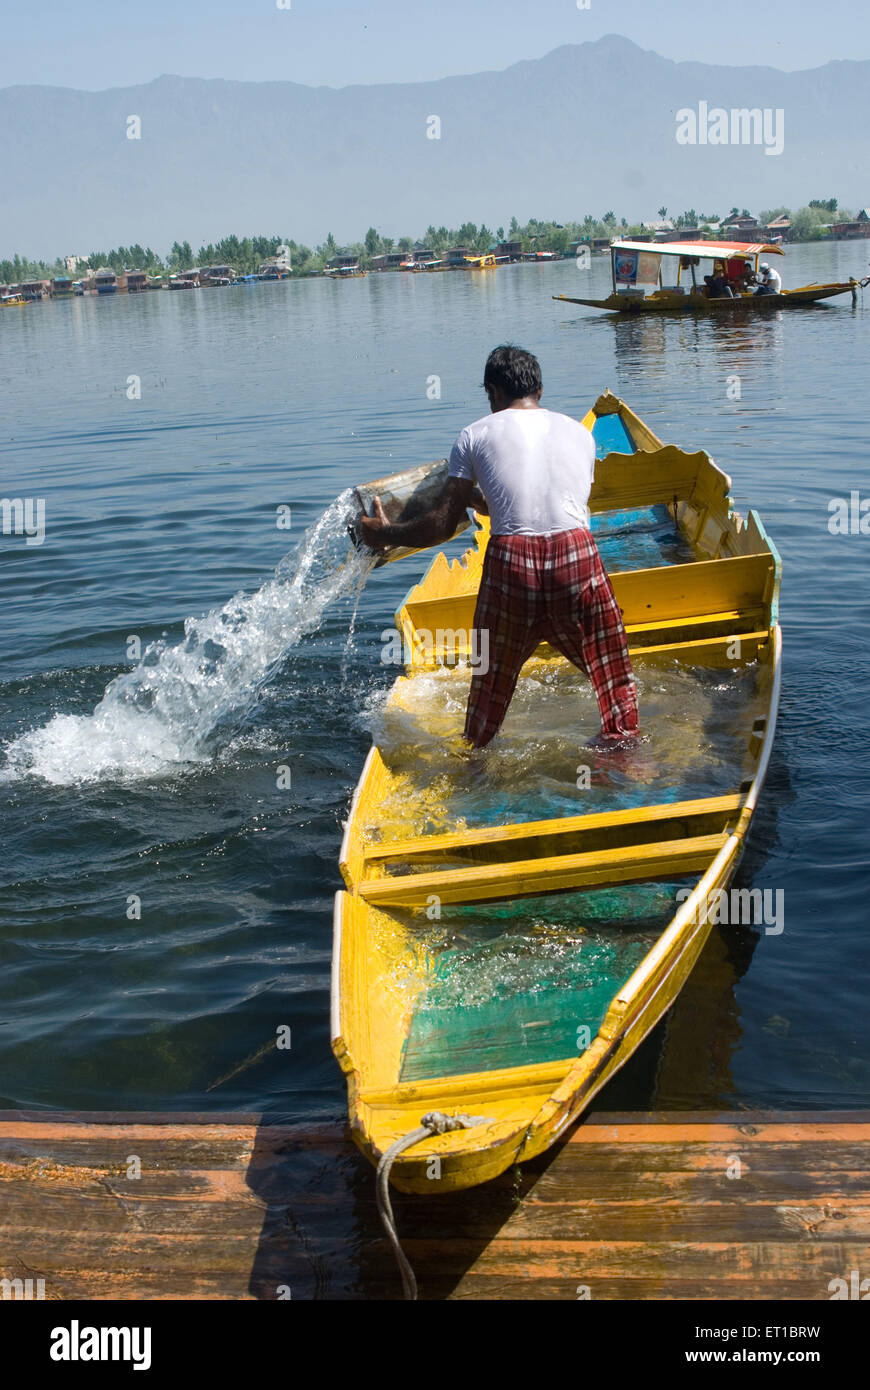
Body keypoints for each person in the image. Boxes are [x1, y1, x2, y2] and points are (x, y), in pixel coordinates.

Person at [359, 345, 639, 751]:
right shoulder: (580, 434)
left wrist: (382, 533)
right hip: (577, 556)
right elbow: (546, 506)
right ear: (539, 389)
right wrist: (476, 499)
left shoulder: (474, 435)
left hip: (512, 562)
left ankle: (475, 757)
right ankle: (627, 755)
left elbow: (440, 525)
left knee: (490, 678)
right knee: (612, 669)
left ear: (493, 392)